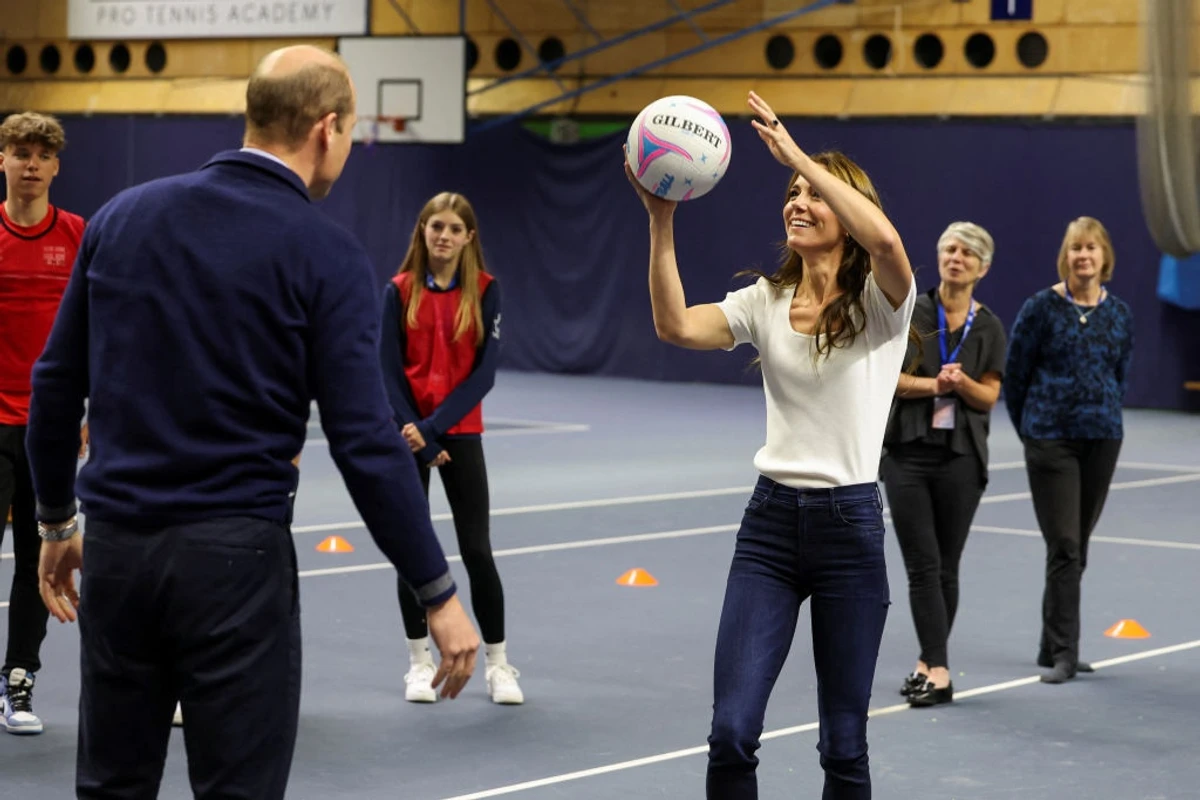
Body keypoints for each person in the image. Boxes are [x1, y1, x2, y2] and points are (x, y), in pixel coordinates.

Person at [25, 45, 479, 799]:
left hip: (119, 559)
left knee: (111, 787)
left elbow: (54, 387)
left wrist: (51, 523)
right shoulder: (326, 253)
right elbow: (366, 444)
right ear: (326, 128)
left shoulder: (120, 218)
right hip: (235, 568)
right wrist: (437, 591)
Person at [628, 91, 916, 798]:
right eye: (789, 192)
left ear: (843, 212)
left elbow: (885, 243)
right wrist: (661, 220)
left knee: (843, 745)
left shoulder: (883, 305)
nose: (796, 201)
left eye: (813, 195)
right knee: (731, 732)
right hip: (769, 532)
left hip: (850, 529)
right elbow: (675, 326)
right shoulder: (763, 300)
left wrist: (797, 156)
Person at [379, 192, 522, 705]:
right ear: (422, 231)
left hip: (457, 434)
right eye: (434, 226)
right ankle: (419, 663)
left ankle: (499, 664)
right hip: (407, 437)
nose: (443, 235)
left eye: (453, 229)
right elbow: (387, 373)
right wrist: (416, 432)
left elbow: (483, 374)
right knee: (412, 553)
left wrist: (435, 429)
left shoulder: (486, 291)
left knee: (477, 551)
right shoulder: (397, 292)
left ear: (468, 238)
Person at [880, 222, 1007, 708]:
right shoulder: (911, 309)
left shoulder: (990, 325)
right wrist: (935, 385)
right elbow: (889, 378)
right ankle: (940, 673)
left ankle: (927, 663)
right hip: (907, 454)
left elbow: (989, 395)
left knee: (947, 567)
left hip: (961, 458)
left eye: (968, 253)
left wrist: (962, 384)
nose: (957, 257)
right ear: (939, 257)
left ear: (983, 267)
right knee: (922, 565)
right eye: (950, 249)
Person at [1004, 216, 1133, 685]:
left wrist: (1103, 415)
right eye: (1076, 248)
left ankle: (1048, 642)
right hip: (1048, 438)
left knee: (1076, 547)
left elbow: (1120, 375)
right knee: (1064, 543)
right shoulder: (1040, 308)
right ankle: (1065, 652)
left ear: (1104, 257)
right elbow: (1015, 375)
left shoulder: (1119, 314)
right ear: (1066, 256)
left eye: (1092, 248)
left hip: (1101, 437)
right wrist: (1032, 429)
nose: (1084, 256)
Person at [0, 111, 86, 735]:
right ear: (1, 160)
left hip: (49, 432)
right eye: (19, 151)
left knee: (40, 559)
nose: (31, 163)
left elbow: (100, 330)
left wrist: (91, 410)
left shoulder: (79, 235)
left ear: (56, 167)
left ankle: (18, 684)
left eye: (42, 154)